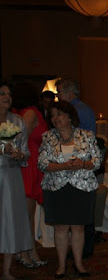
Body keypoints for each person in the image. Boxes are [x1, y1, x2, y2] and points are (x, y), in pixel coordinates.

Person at [38, 101, 101, 279]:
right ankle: (61, 265)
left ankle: (79, 264)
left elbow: (97, 161)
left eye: (59, 114)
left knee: (78, 227)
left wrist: (83, 164)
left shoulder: (86, 136)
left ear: (69, 116)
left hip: (82, 186)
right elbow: (41, 164)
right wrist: (63, 166)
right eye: (52, 116)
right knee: (60, 227)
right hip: (56, 187)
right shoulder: (48, 137)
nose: (55, 118)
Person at [11, 81, 48, 268]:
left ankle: (30, 250)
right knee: (26, 213)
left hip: (31, 163)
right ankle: (23, 252)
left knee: (30, 213)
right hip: (28, 164)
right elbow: (21, 139)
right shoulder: (30, 112)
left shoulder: (22, 113)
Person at [0, 81, 32, 280]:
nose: (7, 97)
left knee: (10, 221)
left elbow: (26, 151)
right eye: (2, 93)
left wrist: (19, 154)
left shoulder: (18, 121)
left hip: (11, 176)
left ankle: (7, 271)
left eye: (9, 94)